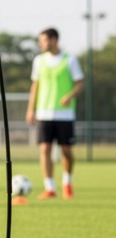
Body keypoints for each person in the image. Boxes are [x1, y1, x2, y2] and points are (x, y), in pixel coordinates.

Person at [26, 27, 84, 199]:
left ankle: (67, 182)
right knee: (44, 149)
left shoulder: (70, 59)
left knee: (66, 151)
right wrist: (31, 109)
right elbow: (35, 86)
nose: (40, 44)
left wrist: (69, 96)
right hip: (43, 114)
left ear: (53, 40)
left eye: (43, 40)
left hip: (65, 115)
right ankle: (50, 187)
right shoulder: (38, 60)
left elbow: (80, 83)